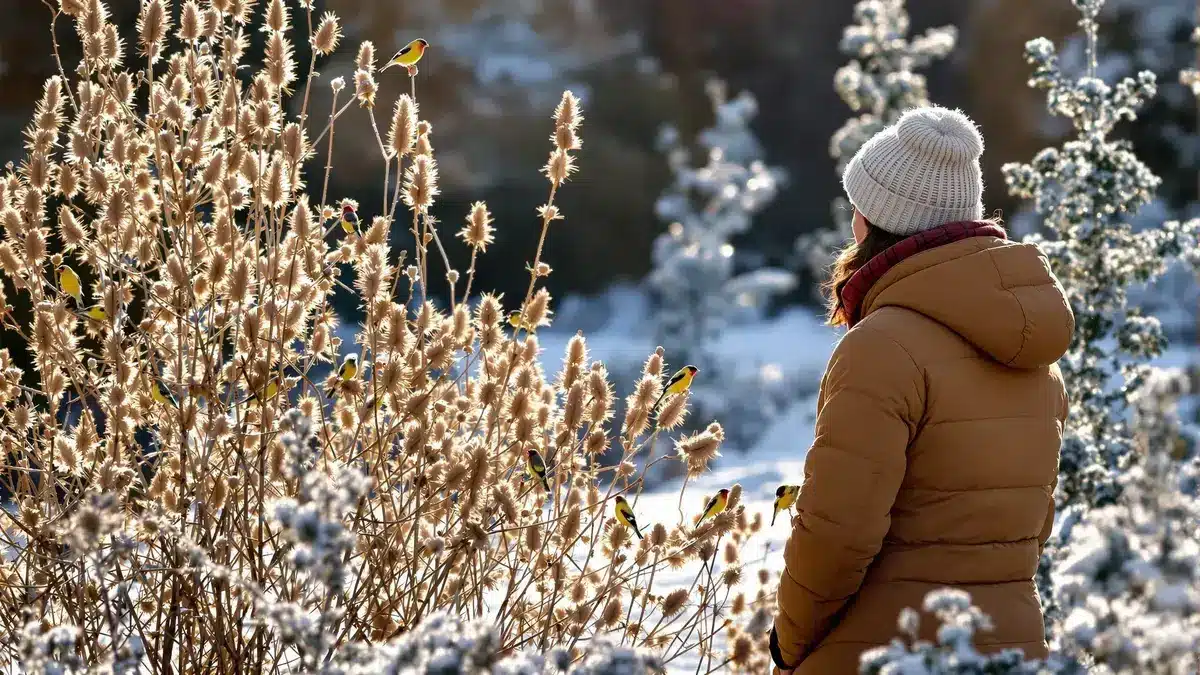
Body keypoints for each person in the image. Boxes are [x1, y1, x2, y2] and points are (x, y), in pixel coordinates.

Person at [770, 106, 1073, 674]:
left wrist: (788, 647)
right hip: (1012, 653)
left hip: (892, 651)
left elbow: (836, 535)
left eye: (858, 207)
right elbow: (1029, 535)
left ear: (874, 220)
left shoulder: (881, 348)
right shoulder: (1039, 361)